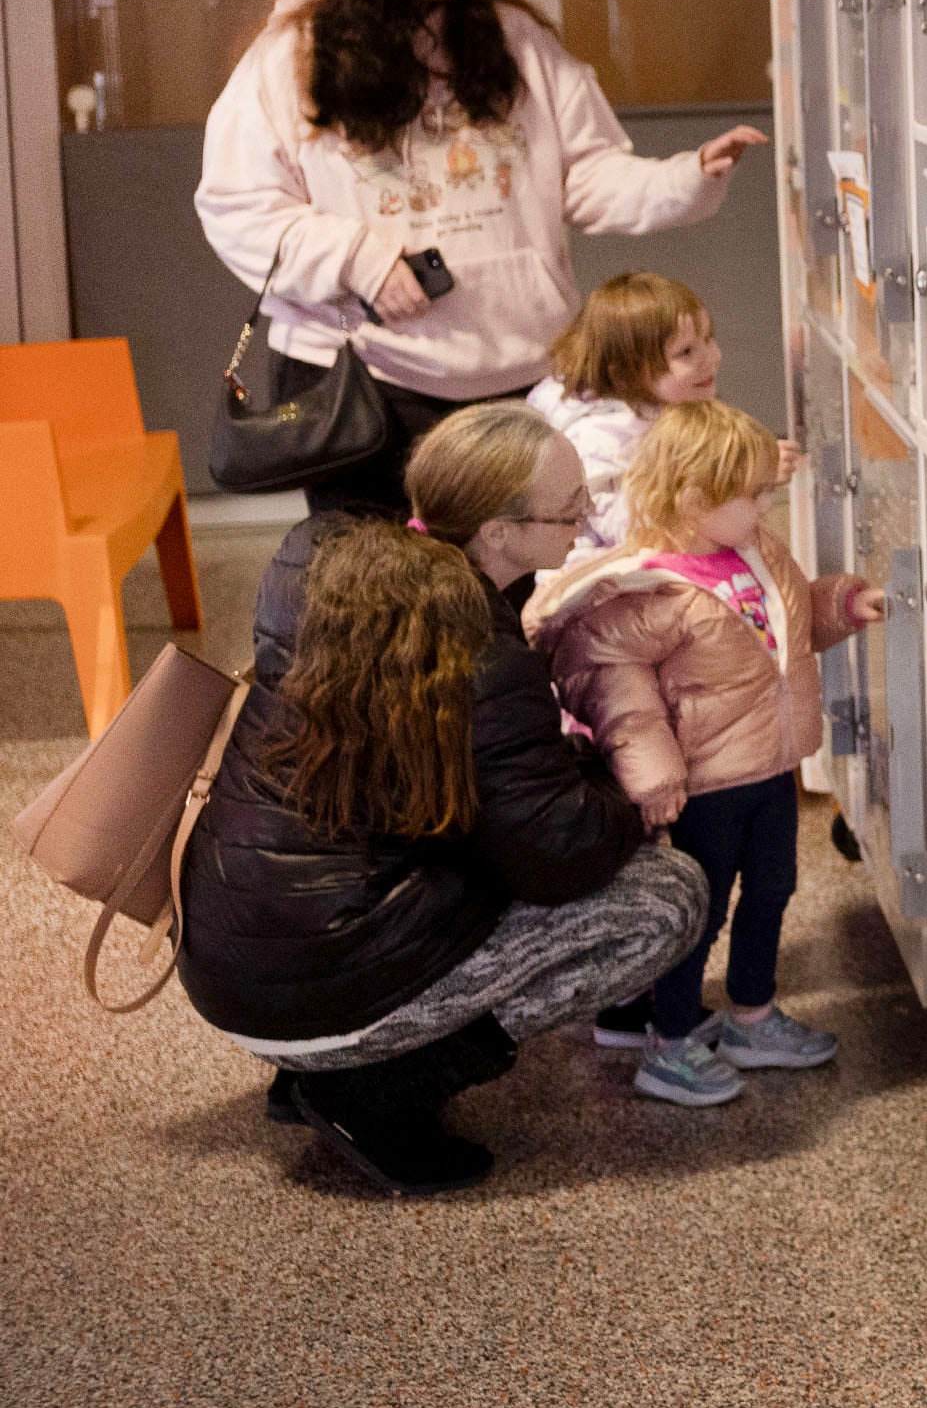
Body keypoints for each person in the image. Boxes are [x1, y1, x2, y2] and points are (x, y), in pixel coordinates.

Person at [182, 404, 708, 1197]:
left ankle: (317, 1067)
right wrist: (628, 786)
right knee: (666, 897)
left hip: (226, 953)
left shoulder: (314, 557)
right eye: (569, 510)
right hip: (321, 973)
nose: (584, 521)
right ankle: (376, 1087)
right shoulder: (476, 650)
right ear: (497, 534)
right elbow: (558, 854)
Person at [196, 0, 768, 516]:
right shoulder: (295, 55)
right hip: (364, 388)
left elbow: (585, 174)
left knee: (516, 595)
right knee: (383, 601)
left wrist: (686, 176)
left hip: (519, 380)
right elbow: (234, 205)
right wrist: (357, 258)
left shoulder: (514, 40)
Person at [527, 400, 880, 1107]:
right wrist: (654, 775)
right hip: (706, 785)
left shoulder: (756, 551)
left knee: (773, 891)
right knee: (701, 911)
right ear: (694, 498)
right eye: (749, 494)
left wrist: (839, 605)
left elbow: (790, 621)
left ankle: (750, 1015)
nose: (763, 505)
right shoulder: (648, 589)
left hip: (770, 767)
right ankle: (671, 1041)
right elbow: (617, 692)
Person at [527, 271, 800, 554]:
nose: (711, 357)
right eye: (685, 353)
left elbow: (701, 466)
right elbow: (631, 529)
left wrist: (750, 468)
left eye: (708, 338)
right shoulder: (598, 439)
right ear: (625, 372)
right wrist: (740, 485)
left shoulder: (674, 405)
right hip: (608, 583)